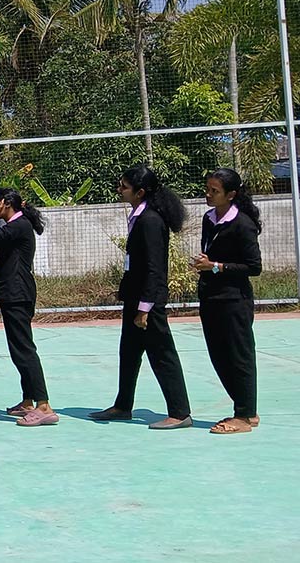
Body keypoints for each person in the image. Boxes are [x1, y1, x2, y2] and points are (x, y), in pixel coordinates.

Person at [91, 165, 192, 430]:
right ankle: (123, 405)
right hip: (135, 298)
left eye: (124, 187)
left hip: (148, 302)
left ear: (140, 192)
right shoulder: (138, 216)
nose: (119, 190)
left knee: (162, 355)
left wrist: (145, 308)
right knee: (129, 353)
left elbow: (154, 268)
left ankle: (180, 412)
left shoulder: (150, 221)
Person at [0, 187, 58, 427]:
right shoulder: (16, 225)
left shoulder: (18, 225)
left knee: (24, 349)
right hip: (13, 293)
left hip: (17, 294)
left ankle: (44, 406)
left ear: (5, 203)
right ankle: (28, 401)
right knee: (18, 348)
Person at [194, 168, 264, 435]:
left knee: (238, 357)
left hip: (234, 300)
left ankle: (243, 416)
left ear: (231, 194)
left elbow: (253, 267)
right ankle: (246, 409)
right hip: (210, 297)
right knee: (219, 356)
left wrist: (215, 266)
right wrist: (205, 264)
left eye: (214, 191)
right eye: (207, 189)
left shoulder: (243, 224)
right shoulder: (209, 218)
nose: (208, 195)